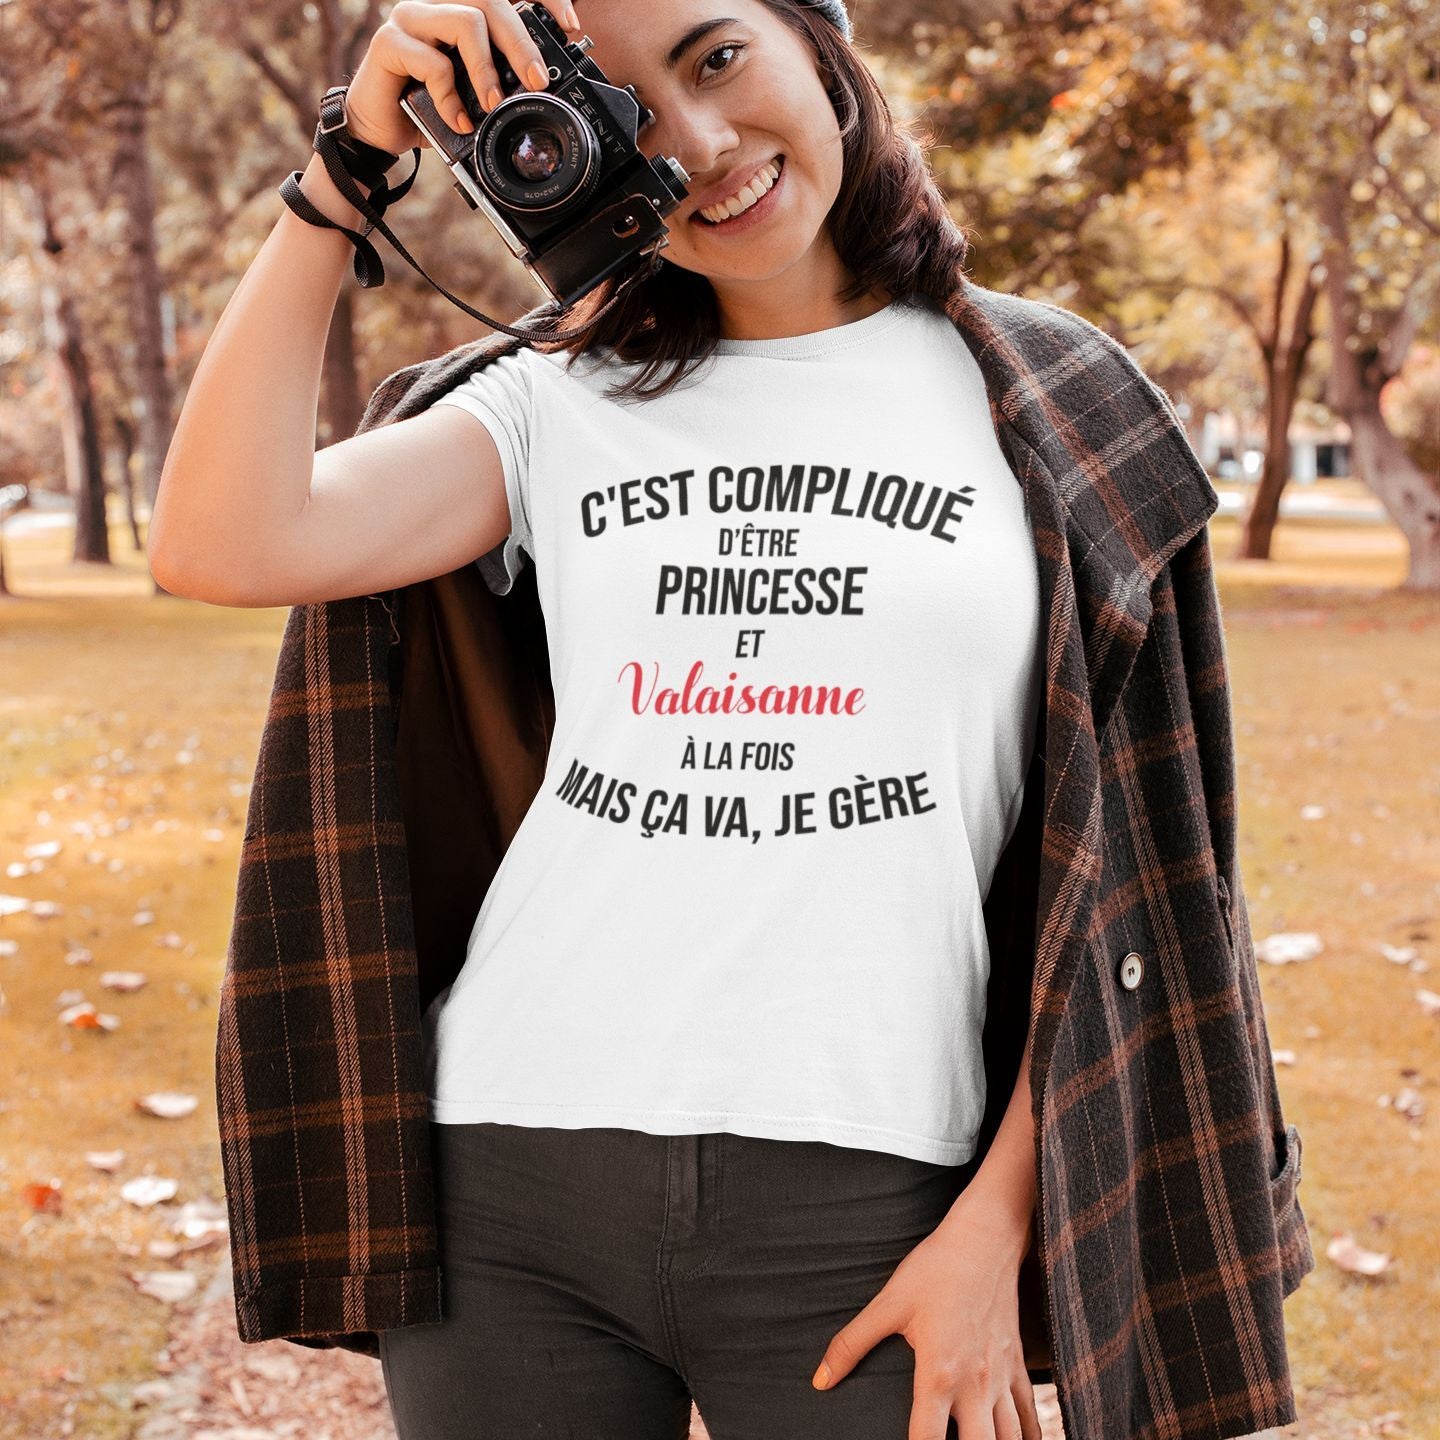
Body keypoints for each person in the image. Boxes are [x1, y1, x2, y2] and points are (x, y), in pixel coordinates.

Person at [149, 2, 1311, 1439]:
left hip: (881, 1195)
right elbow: (219, 540)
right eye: (628, 112)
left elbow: (1148, 881)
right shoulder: (554, 401)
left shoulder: (1057, 403)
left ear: (822, 51)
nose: (696, 146)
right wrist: (346, 176)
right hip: (512, 1182)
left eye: (716, 60)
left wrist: (992, 1231)